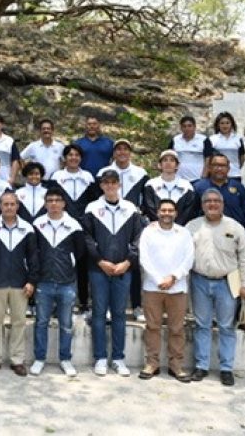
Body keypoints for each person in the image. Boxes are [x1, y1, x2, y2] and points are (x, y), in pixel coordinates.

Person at [187, 189, 245, 386]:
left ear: (222, 204)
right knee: (202, 325)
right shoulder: (192, 226)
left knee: (226, 326)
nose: (212, 204)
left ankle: (226, 368)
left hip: (227, 283)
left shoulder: (235, 227)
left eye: (216, 201)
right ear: (202, 205)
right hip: (199, 281)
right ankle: (201, 366)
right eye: (208, 201)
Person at [82, 169, 143, 377]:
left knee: (118, 314)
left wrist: (127, 262)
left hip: (123, 270)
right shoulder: (92, 208)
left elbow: (137, 239)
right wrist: (100, 261)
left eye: (113, 182)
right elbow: (87, 239)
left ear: (119, 184)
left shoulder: (130, 209)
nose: (109, 186)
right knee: (99, 313)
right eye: (105, 183)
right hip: (99, 269)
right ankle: (100, 357)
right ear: (101, 185)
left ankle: (118, 358)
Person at [192, 153, 245, 332]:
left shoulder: (237, 187)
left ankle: (240, 315)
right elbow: (191, 212)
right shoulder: (199, 186)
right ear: (210, 167)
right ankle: (208, 318)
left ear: (229, 168)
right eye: (216, 165)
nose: (219, 168)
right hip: (207, 237)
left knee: (238, 284)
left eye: (223, 165)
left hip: (233, 241)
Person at [0, 192, 38, 376]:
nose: (9, 207)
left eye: (13, 204)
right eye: (6, 204)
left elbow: (33, 258)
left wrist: (31, 281)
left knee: (19, 322)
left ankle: (17, 360)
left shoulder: (27, 229)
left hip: (20, 284)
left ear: (18, 206)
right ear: (0, 206)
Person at [30, 187, 85, 378]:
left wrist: (68, 266)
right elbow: (33, 252)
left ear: (63, 203)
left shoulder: (74, 225)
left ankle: (65, 359)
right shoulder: (37, 224)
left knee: (66, 324)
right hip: (43, 282)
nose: (53, 203)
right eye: (50, 200)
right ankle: (39, 358)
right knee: (41, 322)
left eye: (57, 200)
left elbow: (80, 253)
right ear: (45, 203)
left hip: (66, 283)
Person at [137, 199, 194, 383]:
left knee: (176, 328)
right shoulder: (148, 232)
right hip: (152, 287)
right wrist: (158, 279)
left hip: (177, 288)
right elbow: (144, 258)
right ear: (158, 212)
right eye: (163, 210)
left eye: (170, 210)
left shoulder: (184, 233)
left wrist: (173, 277)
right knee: (152, 327)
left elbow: (189, 258)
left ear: (176, 213)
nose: (167, 213)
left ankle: (176, 364)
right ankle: (151, 363)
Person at [98, 139, 147, 321]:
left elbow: (145, 197)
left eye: (126, 149)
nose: (122, 152)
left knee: (132, 263)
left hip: (131, 221)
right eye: (118, 149)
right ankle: (109, 308)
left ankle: (136, 306)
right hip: (109, 222)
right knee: (109, 264)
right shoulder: (103, 173)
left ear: (130, 152)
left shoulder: (140, 173)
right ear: (114, 153)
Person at [49, 143, 98, 314]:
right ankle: (57, 304)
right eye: (70, 155)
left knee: (83, 263)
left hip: (82, 228)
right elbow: (52, 200)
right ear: (65, 158)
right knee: (60, 263)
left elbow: (93, 201)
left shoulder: (88, 177)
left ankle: (84, 301)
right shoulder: (57, 176)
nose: (73, 158)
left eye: (77, 155)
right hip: (61, 226)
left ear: (81, 158)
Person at [141, 150, 198, 225]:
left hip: (180, 230)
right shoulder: (150, 185)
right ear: (159, 165)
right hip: (156, 229)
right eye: (165, 160)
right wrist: (163, 226)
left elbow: (187, 212)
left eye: (172, 160)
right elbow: (150, 209)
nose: (168, 163)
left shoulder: (187, 187)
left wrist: (175, 227)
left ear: (177, 165)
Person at [167, 116, 210, 183]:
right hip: (179, 179)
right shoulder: (175, 140)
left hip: (198, 179)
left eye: (190, 126)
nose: (187, 128)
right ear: (181, 128)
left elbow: (208, 159)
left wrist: (204, 176)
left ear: (195, 127)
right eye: (184, 126)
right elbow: (168, 157)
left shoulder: (203, 140)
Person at [206, 112, 245, 181]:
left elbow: (242, 158)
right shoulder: (212, 139)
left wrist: (235, 167)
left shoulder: (238, 139)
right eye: (222, 123)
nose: (225, 126)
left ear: (232, 124)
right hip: (217, 174)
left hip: (234, 174)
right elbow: (208, 159)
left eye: (227, 123)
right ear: (218, 125)